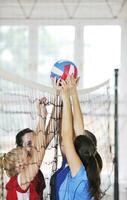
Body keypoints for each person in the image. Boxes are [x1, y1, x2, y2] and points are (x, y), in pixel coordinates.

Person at [50, 75, 102, 200]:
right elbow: (79, 132)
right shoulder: (82, 168)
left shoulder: (80, 175)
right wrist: (73, 93)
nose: (66, 143)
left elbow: (66, 137)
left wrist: (65, 96)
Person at [0, 98, 48, 200]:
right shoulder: (22, 179)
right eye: (29, 145)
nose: (31, 149)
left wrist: (43, 113)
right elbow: (40, 149)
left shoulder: (23, 173)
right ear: (21, 165)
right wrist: (42, 117)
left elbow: (43, 138)